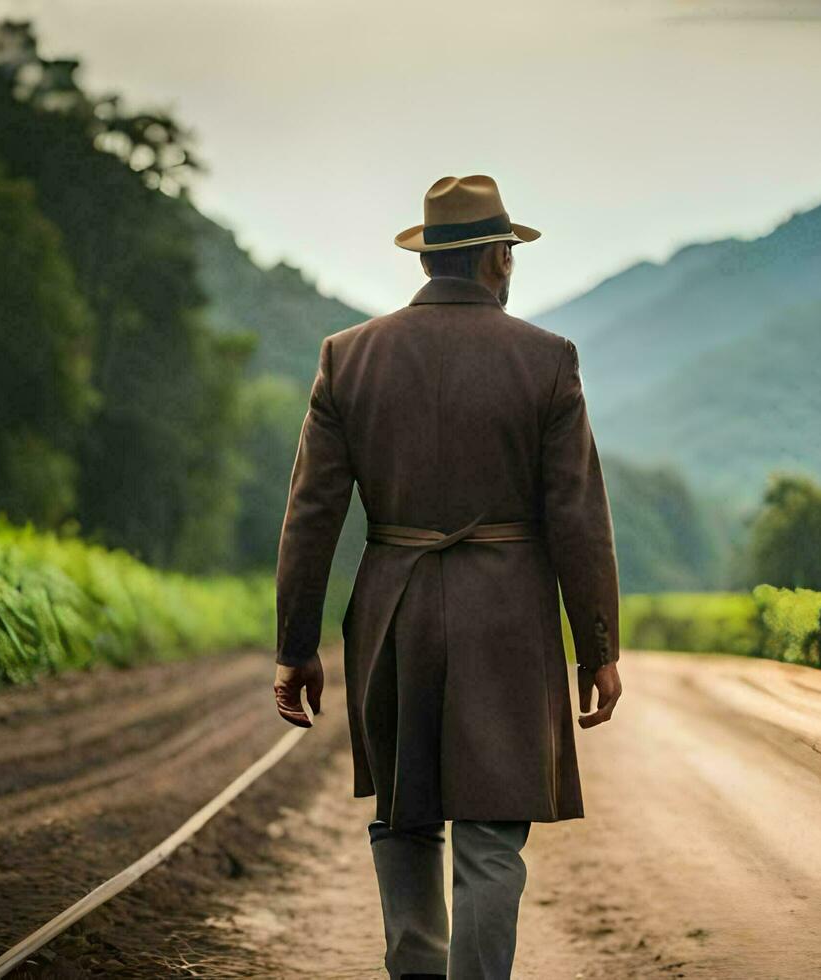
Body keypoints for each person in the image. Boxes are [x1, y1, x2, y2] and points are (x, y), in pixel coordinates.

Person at [271, 174, 624, 980]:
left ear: (431, 258)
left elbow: (312, 516)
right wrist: (596, 647)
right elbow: (578, 519)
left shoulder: (347, 358)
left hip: (393, 606)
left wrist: (296, 645)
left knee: (404, 816)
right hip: (507, 617)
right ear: (499, 258)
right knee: (493, 835)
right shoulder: (548, 360)